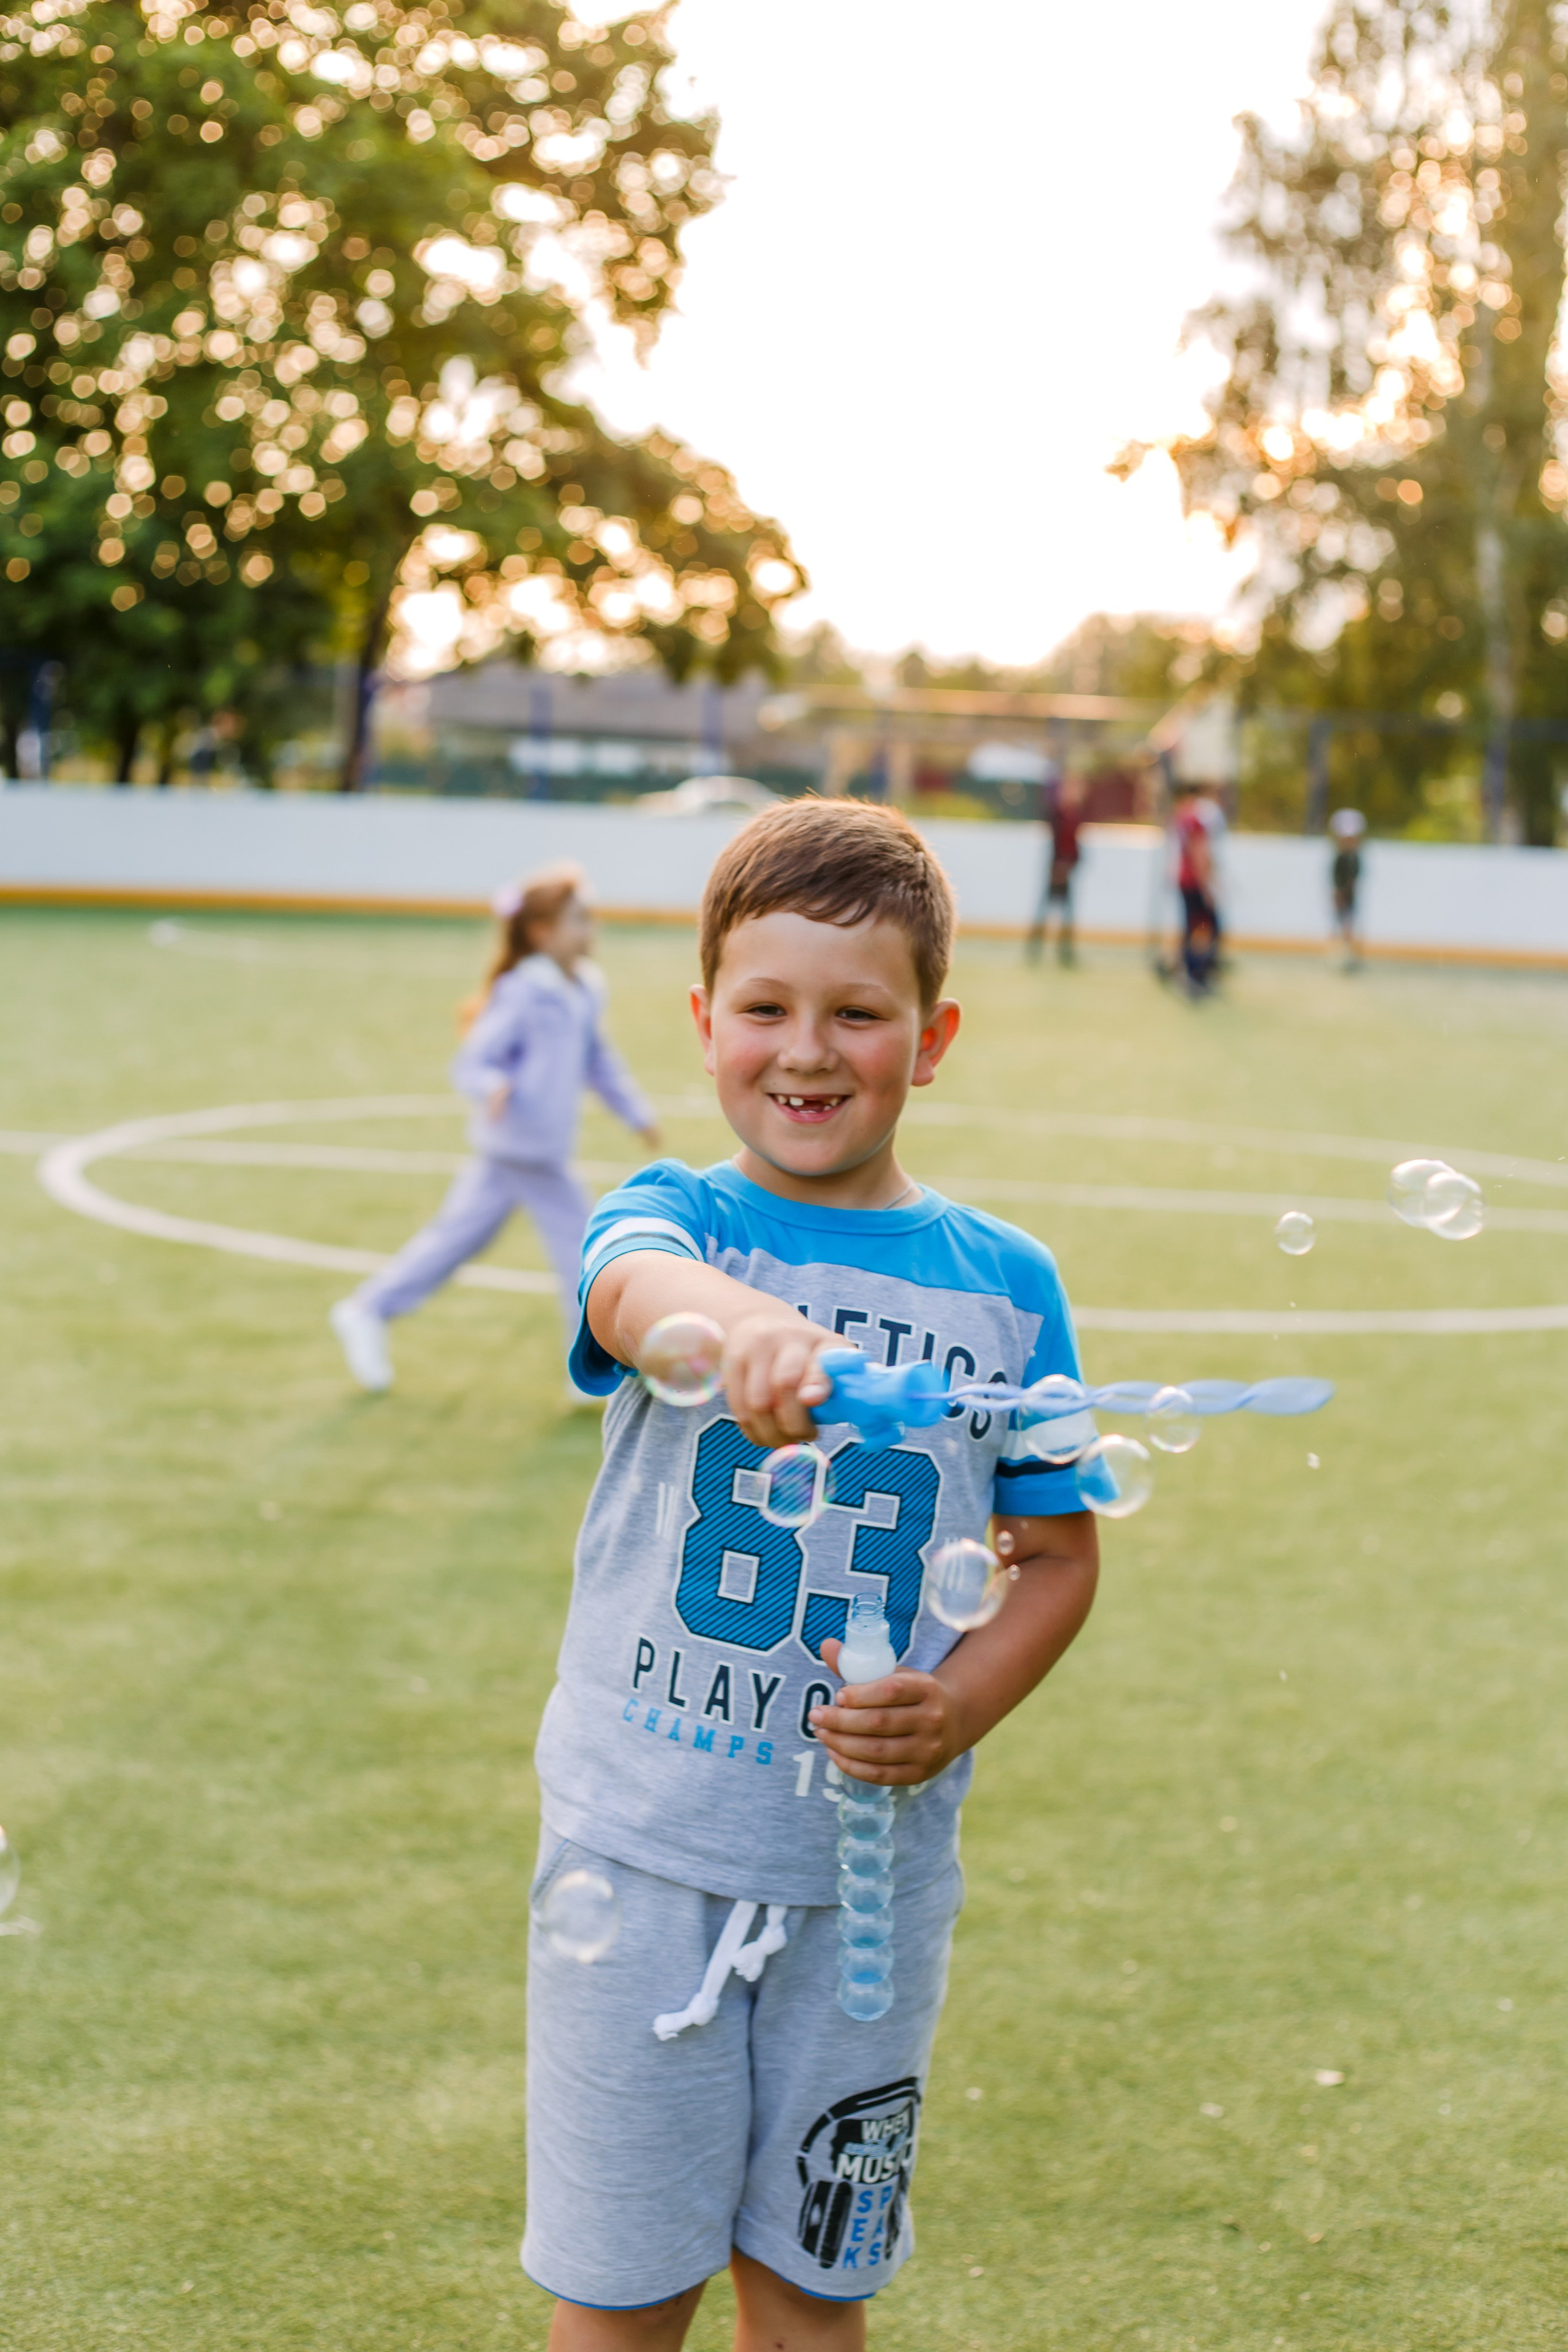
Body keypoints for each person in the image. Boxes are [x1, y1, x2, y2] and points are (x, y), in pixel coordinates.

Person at [527, 797, 1100, 2347]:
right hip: (638, 1859)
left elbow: (1054, 1557)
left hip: (868, 1892)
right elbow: (632, 1290)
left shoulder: (1010, 1286)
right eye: (765, 1008)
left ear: (931, 1037)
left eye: (857, 1013)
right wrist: (742, 1327)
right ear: (704, 1022)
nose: (806, 1049)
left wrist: (957, 1705)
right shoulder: (677, 1219)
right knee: (624, 2294)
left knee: (808, 2292)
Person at [330, 863, 660, 1394]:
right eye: (579, 919)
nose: (590, 929)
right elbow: (474, 1061)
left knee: (457, 1242)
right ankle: (588, 1374)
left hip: (535, 1153)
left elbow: (598, 1059)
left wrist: (635, 1112)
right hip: (520, 1149)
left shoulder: (584, 988)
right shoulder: (522, 991)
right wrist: (493, 1086)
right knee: (585, 1253)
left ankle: (368, 1309)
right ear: (542, 932)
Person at [1025, 770, 1084, 965]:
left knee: (1067, 915)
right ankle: (1035, 950)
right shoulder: (1058, 816)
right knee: (1045, 912)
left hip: (1067, 870)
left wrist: (1072, 865)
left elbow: (1074, 846)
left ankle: (1065, 953)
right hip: (1055, 870)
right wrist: (1057, 868)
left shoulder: (1075, 816)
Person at [1172, 784, 1220, 995]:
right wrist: (1207, 885)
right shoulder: (1195, 820)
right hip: (1195, 880)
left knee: (1192, 925)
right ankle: (1197, 972)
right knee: (1207, 926)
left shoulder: (1181, 818)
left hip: (1185, 878)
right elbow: (1199, 852)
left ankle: (1183, 968)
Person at [1329, 807, 1365, 968]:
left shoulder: (1353, 858)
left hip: (1349, 896)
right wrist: (1339, 895)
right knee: (1343, 925)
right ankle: (1344, 954)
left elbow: (1354, 878)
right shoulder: (1342, 857)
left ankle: (1350, 954)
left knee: (1349, 925)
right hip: (1344, 896)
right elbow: (1338, 879)